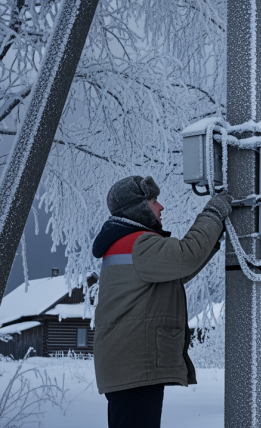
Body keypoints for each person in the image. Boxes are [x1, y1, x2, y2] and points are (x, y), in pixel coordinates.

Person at [91, 175, 232, 428]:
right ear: (138, 208)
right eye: (154, 201)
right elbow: (187, 256)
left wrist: (214, 237)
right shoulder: (138, 243)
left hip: (127, 365)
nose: (161, 207)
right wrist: (213, 213)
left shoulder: (124, 243)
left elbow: (178, 270)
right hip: (135, 367)